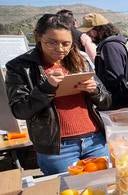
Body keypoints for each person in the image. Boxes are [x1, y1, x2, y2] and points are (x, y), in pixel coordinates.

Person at [4, 14, 111, 175]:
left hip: (96, 141)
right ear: (38, 37)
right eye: (51, 42)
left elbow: (106, 101)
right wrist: (46, 88)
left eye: (66, 43)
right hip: (58, 149)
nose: (60, 49)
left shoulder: (79, 60)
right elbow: (20, 110)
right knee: (68, 190)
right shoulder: (20, 67)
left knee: (102, 188)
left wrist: (94, 90)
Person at [79, 13, 128, 110]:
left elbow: (115, 79)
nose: (87, 35)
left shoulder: (109, 47)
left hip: (116, 104)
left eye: (89, 31)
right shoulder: (112, 44)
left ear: (99, 29)